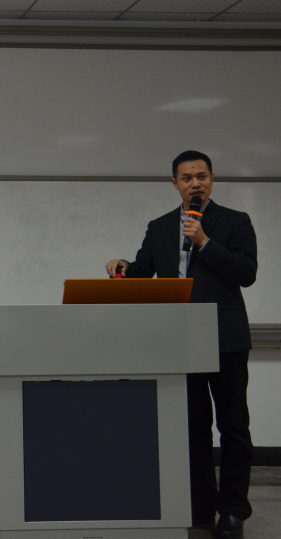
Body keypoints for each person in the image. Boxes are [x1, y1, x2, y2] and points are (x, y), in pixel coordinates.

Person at [106, 150, 257, 539]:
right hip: (179, 340)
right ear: (174, 184)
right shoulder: (159, 227)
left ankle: (233, 512)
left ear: (212, 180)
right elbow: (144, 272)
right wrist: (124, 268)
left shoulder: (235, 221)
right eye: (187, 178)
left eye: (202, 176)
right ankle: (200, 508)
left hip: (225, 339)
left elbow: (246, 272)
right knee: (192, 428)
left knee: (233, 427)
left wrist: (204, 241)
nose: (195, 183)